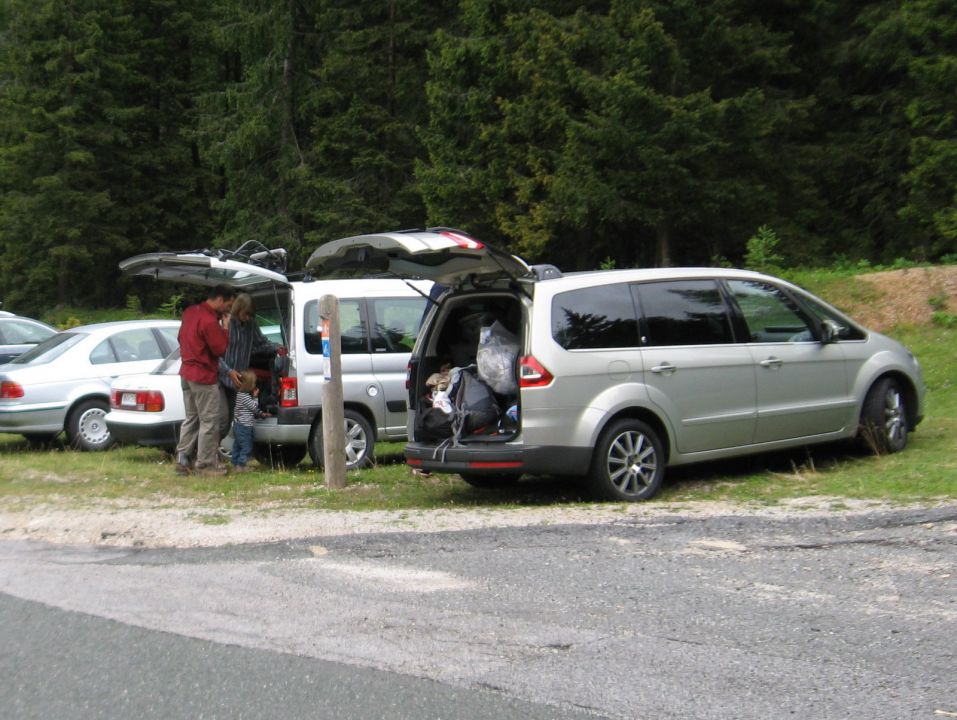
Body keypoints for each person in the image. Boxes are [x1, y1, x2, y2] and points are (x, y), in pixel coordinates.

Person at [174, 284, 235, 476]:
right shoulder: (209, 321)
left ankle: (183, 460)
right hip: (203, 376)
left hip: (186, 372)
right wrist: (225, 328)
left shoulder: (190, 312)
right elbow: (220, 349)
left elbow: (179, 338)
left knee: (191, 418)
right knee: (210, 420)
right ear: (219, 300)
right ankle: (205, 465)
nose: (228, 310)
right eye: (228, 305)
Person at [218, 293, 277, 441]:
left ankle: (209, 456)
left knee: (228, 422)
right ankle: (204, 456)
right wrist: (227, 370)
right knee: (221, 420)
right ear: (238, 309)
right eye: (246, 314)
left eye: (250, 315)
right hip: (220, 377)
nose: (248, 318)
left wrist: (278, 349)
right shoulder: (226, 324)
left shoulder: (252, 324)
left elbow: (261, 342)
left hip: (238, 381)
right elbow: (215, 354)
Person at [230, 370, 270, 472]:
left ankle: (235, 463)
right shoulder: (245, 397)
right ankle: (241, 465)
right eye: (254, 383)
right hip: (244, 426)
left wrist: (261, 414)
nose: (255, 385)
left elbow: (252, 410)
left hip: (238, 425)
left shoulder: (240, 395)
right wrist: (256, 396)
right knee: (247, 446)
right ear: (249, 385)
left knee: (238, 445)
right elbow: (254, 407)